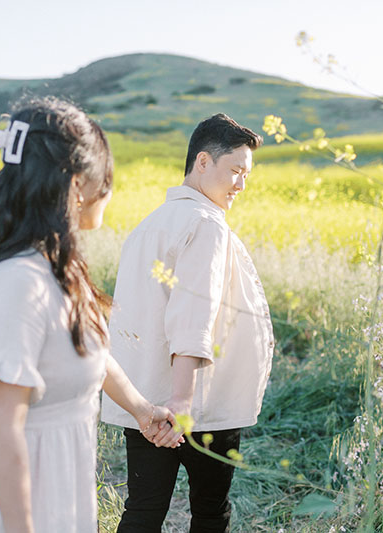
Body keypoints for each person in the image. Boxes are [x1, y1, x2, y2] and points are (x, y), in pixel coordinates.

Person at [0, 97, 182, 533]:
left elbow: (86, 348)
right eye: (105, 175)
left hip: (62, 486)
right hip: (26, 502)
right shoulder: (20, 283)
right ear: (77, 184)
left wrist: (142, 409)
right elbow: (5, 426)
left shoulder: (57, 268)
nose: (110, 189)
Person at [100, 113, 275, 532]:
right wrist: (182, 401)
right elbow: (192, 316)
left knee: (142, 510)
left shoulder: (147, 225)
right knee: (210, 512)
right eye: (235, 171)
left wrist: (158, 405)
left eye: (246, 176)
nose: (241, 185)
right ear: (202, 162)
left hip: (147, 405)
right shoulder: (206, 224)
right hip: (198, 406)